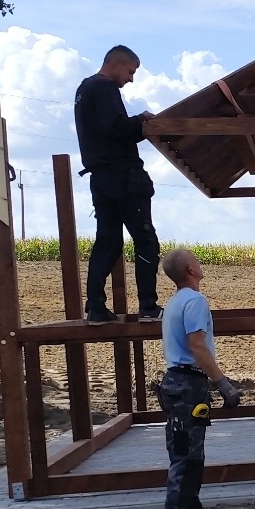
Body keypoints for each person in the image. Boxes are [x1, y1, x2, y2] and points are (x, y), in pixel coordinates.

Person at [158, 248, 241, 509]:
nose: (200, 263)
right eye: (197, 259)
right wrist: (222, 383)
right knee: (185, 456)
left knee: (192, 454)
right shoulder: (194, 301)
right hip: (187, 384)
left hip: (179, 383)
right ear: (191, 269)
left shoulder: (173, 303)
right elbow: (197, 345)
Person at [74, 44, 161, 323]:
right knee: (146, 240)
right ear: (115, 64)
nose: (131, 79)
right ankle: (148, 306)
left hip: (100, 180)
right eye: (130, 71)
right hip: (124, 178)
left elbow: (105, 131)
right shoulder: (104, 88)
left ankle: (96, 307)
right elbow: (114, 128)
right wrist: (142, 122)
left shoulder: (84, 90)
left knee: (107, 243)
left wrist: (134, 126)